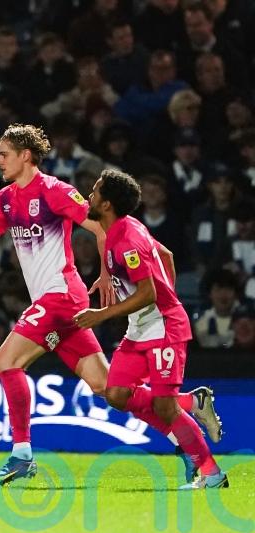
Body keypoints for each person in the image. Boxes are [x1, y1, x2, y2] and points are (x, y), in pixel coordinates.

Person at [0, 123, 209, 486]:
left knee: (6, 361)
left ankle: (21, 455)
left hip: (61, 296)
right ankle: (185, 418)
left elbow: (99, 226)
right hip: (56, 303)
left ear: (25, 156)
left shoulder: (54, 191)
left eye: (4, 154)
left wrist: (108, 271)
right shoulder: (5, 199)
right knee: (106, 388)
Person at [75, 168, 227, 490]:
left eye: (97, 190)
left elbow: (148, 293)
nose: (91, 193)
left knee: (163, 407)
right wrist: (157, 301)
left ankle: (212, 473)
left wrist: (104, 314)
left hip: (164, 330)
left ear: (107, 205)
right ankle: (191, 403)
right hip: (140, 329)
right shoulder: (127, 228)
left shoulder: (127, 239)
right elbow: (166, 256)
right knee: (116, 394)